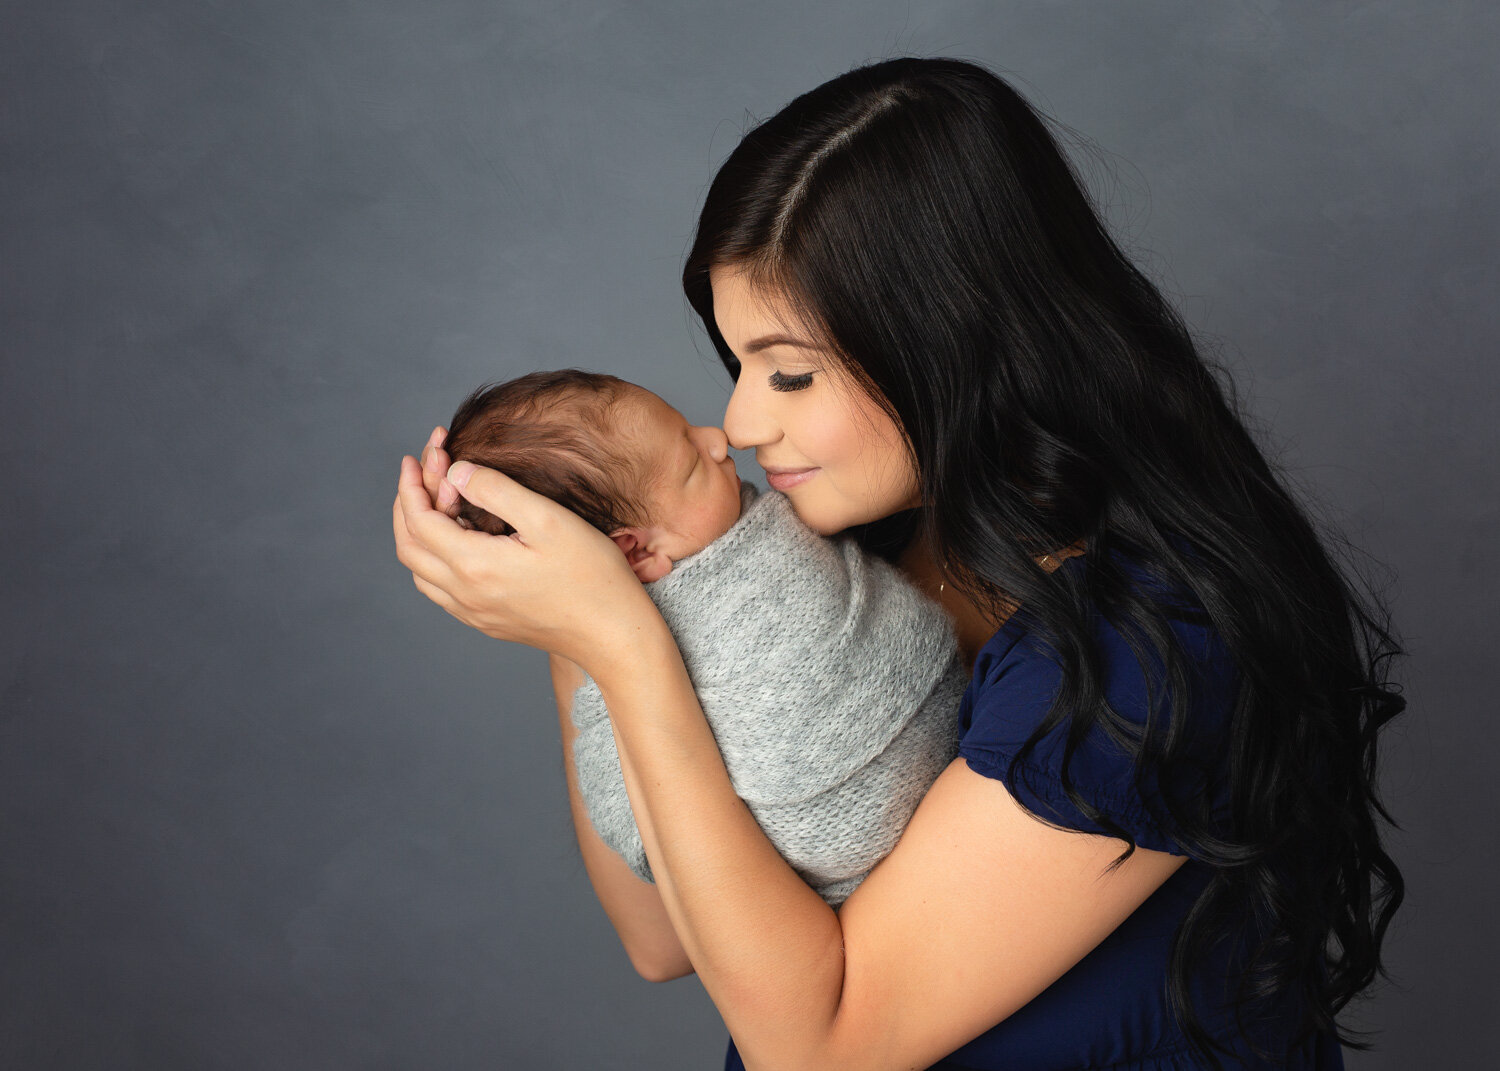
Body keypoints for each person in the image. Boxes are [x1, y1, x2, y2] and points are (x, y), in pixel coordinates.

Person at [393, 57, 1406, 1071]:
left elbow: (819, 1051)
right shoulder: (831, 555)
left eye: (789, 372)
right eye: (739, 365)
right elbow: (662, 938)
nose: (742, 423)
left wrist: (615, 638)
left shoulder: (1154, 643)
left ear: (951, 340)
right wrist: (579, 591)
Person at [441, 369, 971, 907]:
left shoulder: (785, 540)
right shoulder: (642, 633)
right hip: (821, 857)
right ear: (635, 551)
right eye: (694, 462)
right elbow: (658, 941)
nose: (720, 438)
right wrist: (578, 631)